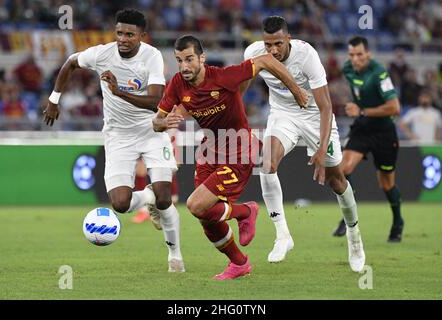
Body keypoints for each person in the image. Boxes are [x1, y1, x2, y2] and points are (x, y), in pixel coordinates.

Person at [153, 35, 308, 279]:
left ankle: (246, 212)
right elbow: (156, 122)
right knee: (205, 217)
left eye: (190, 59)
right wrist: (164, 122)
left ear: (202, 58)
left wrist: (296, 90)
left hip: (238, 151)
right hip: (209, 150)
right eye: (179, 60)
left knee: (196, 205)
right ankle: (239, 263)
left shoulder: (225, 77)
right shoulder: (177, 84)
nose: (184, 66)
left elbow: (266, 60)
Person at [42, 9, 184, 272]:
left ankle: (175, 255)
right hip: (118, 136)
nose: (123, 38)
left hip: (152, 129)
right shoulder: (102, 54)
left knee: (166, 199)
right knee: (120, 203)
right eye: (119, 32)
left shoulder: (152, 56)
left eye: (130, 34)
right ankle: (148, 196)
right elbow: (71, 62)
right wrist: (53, 99)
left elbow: (156, 102)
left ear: (142, 36)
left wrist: (118, 91)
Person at [243, 16, 365, 272]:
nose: (273, 50)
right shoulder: (253, 53)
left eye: (278, 43)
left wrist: (321, 149)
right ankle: (283, 235)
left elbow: (325, 106)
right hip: (283, 115)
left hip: (314, 116)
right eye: (268, 45)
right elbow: (239, 89)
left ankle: (354, 237)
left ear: (288, 39)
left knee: (336, 181)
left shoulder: (306, 55)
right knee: (266, 163)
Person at [332, 36, 405, 243]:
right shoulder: (348, 69)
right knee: (343, 170)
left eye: (360, 55)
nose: (355, 59)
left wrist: (361, 110)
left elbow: (395, 107)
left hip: (384, 132)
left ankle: (398, 222)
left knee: (386, 184)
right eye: (352, 55)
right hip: (363, 129)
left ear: (368, 54)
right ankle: (349, 218)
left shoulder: (379, 74)